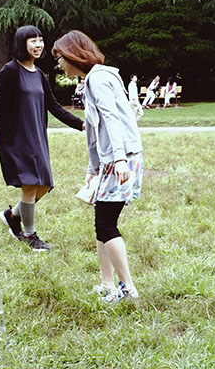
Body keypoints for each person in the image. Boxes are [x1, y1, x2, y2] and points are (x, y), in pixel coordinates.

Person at [0, 25, 84, 252]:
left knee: (45, 185)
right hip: (15, 138)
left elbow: (53, 106)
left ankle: (12, 216)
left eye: (40, 40)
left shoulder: (39, 74)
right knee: (30, 185)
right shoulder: (9, 71)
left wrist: (81, 125)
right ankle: (30, 236)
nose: (38, 45)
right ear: (22, 43)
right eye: (33, 40)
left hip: (36, 136)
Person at [52, 30, 143, 302]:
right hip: (113, 159)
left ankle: (127, 288)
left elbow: (111, 118)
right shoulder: (92, 79)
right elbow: (94, 129)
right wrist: (93, 169)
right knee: (101, 222)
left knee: (106, 224)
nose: (59, 65)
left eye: (60, 58)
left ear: (73, 56)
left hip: (121, 158)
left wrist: (119, 159)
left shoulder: (99, 78)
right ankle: (107, 284)